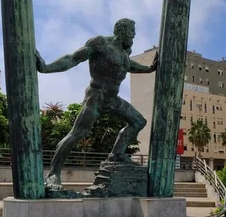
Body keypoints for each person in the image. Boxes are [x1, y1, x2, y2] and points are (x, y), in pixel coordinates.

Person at [36, 18, 158, 186]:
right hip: (96, 97)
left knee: (138, 122)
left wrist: (149, 69)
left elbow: (131, 66)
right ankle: (53, 173)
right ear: (122, 30)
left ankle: (117, 154)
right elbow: (72, 59)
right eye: (132, 32)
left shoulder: (124, 54)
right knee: (77, 133)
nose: (134, 35)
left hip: (113, 100)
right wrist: (45, 68)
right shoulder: (100, 43)